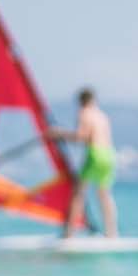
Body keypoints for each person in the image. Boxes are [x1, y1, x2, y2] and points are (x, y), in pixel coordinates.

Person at [50, 86, 118, 238]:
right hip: (109, 154)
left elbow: (81, 137)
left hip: (95, 154)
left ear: (81, 101)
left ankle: (69, 233)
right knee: (104, 194)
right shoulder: (102, 115)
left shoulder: (84, 113)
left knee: (78, 192)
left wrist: (58, 133)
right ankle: (112, 233)